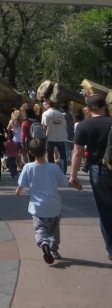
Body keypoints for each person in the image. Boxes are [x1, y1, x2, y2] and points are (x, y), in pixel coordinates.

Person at [68, 94, 112, 261]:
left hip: (98, 170)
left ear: (88, 108)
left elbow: (77, 152)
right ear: (104, 107)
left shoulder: (83, 125)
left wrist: (74, 176)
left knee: (106, 211)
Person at [17, 138, 68, 264]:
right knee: (54, 229)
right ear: (46, 150)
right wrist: (76, 184)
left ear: (30, 152)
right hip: (54, 205)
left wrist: (18, 191)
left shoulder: (28, 167)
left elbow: (21, 184)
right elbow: (64, 182)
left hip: (37, 206)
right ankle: (54, 249)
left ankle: (43, 242)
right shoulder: (53, 167)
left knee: (40, 228)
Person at [41, 99, 69, 173]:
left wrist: (43, 135)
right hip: (61, 136)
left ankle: (51, 169)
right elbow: (64, 124)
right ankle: (63, 170)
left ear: (48, 105)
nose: (43, 106)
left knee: (50, 153)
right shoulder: (60, 113)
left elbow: (44, 126)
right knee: (62, 153)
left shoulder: (46, 114)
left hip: (51, 136)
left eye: (44, 105)